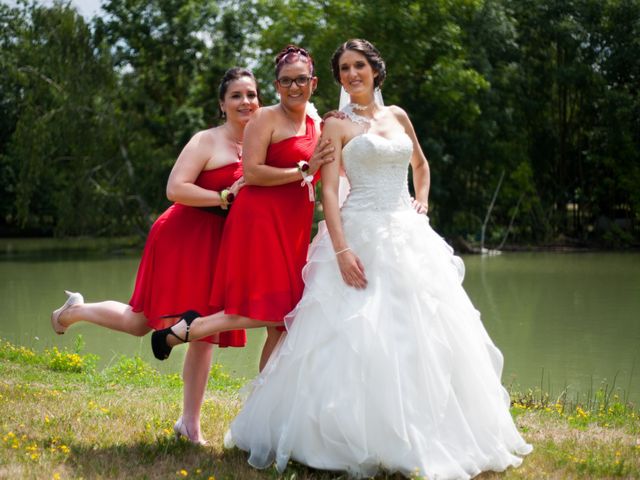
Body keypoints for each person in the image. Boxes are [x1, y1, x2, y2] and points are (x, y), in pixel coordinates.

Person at [222, 39, 533, 478]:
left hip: (407, 232)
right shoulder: (336, 124)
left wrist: (420, 202)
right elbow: (328, 191)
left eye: (359, 66)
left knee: (424, 332)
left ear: (375, 70)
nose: (352, 75)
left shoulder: (398, 116)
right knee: (356, 333)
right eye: (344, 69)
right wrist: (343, 248)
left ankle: (429, 432)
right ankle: (340, 435)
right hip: (358, 234)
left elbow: (420, 166)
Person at [49, 67, 261, 445]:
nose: (246, 102)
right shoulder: (206, 141)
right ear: (222, 104)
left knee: (204, 331)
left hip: (220, 245)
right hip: (181, 238)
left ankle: (189, 424)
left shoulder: (261, 142)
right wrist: (223, 196)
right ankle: (75, 311)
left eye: (251, 94)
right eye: (236, 96)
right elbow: (174, 188)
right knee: (140, 323)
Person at [150, 45, 334, 370]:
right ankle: (185, 330)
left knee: (284, 321)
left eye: (301, 79)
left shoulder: (318, 125)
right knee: (273, 311)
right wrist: (302, 171)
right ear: (276, 86)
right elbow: (252, 173)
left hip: (293, 226)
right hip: (259, 220)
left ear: (314, 83)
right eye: (286, 80)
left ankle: (265, 404)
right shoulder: (264, 117)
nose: (294, 87)